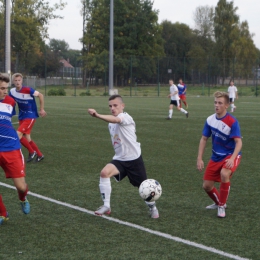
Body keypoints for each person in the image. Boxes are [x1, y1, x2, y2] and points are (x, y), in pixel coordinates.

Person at [88, 94, 159, 218]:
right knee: (104, 173)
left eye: (115, 105)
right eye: (110, 106)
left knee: (144, 187)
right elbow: (113, 123)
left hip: (134, 160)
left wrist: (97, 115)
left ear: (122, 106)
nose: (112, 108)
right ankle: (106, 205)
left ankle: (152, 207)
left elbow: (116, 119)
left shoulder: (126, 118)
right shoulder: (110, 123)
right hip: (120, 159)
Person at [197, 91, 242, 218]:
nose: (217, 105)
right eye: (215, 102)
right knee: (207, 186)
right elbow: (204, 139)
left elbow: (238, 143)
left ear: (227, 105)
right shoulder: (210, 120)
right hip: (216, 156)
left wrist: (232, 159)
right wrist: (199, 158)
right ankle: (218, 203)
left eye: (220, 103)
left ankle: (222, 205)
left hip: (230, 154)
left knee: (224, 173)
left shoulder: (232, 121)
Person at [0, 73, 30, 226]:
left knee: (21, 186)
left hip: (11, 147)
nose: (5, 91)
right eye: (2, 88)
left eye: (6, 88)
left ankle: (22, 198)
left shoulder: (10, 102)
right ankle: (3, 214)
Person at [9, 73, 47, 163]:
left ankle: (31, 151)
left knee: (18, 135)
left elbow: (41, 95)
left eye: (19, 80)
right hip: (22, 115)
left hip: (30, 115)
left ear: (22, 81)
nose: (18, 82)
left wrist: (41, 109)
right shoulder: (12, 91)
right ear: (13, 82)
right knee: (27, 137)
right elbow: (10, 102)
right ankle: (40, 155)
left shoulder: (27, 89)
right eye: (16, 80)